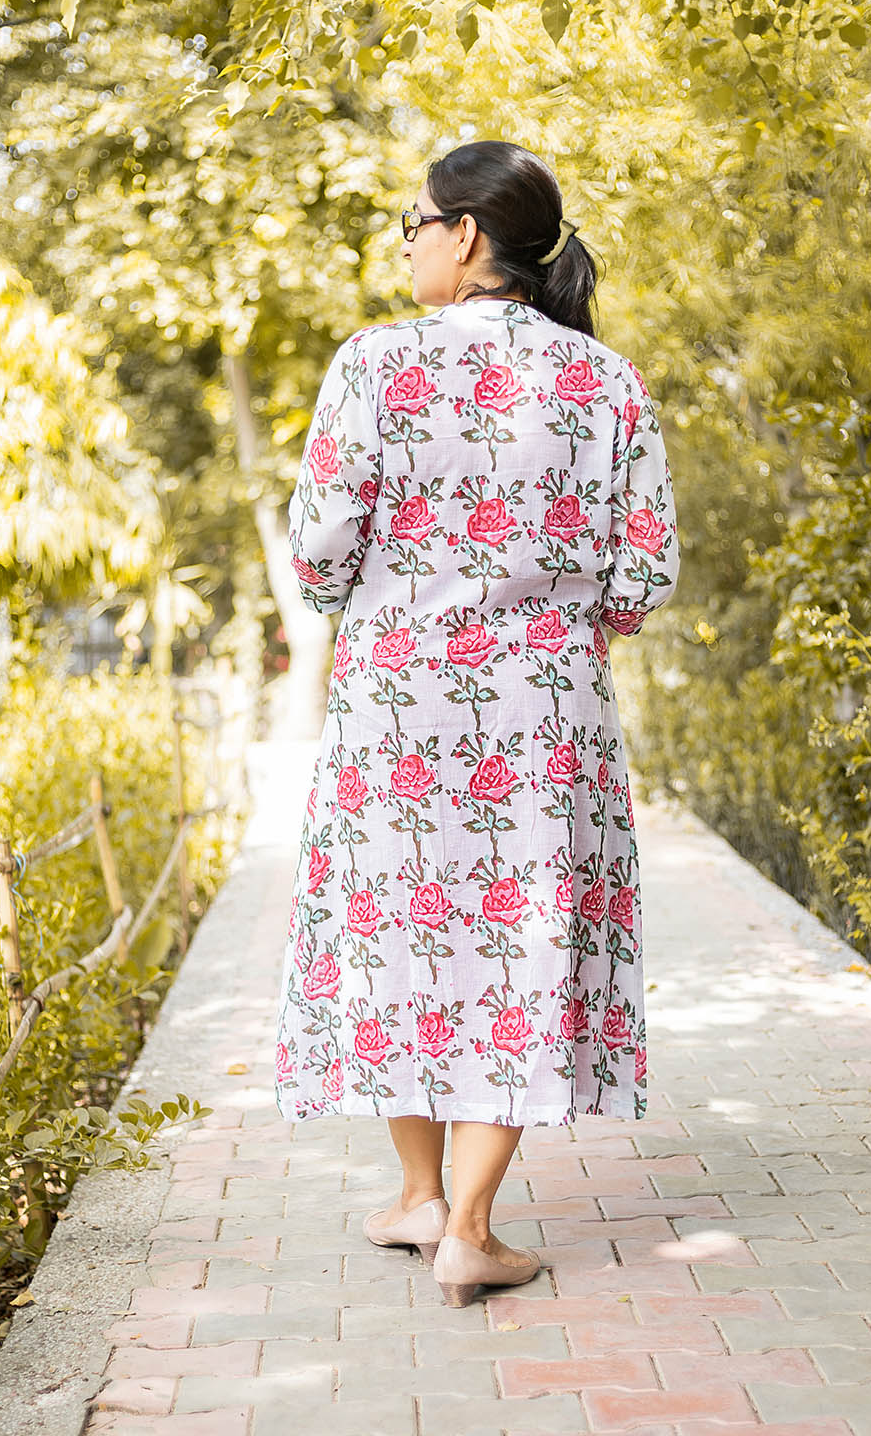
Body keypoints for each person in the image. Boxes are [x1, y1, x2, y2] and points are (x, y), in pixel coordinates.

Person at [274, 139, 679, 1308]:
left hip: (397, 719)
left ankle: (420, 1196)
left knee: (406, 934)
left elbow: (319, 557)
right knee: (522, 939)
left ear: (463, 234)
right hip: (545, 723)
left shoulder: (371, 366)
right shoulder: (604, 382)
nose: (403, 241)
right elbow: (640, 582)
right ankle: (470, 1223)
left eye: (413, 221)